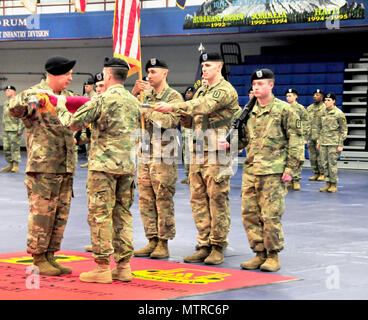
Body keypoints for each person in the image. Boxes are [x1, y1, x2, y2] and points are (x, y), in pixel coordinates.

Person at [56, 57, 141, 283]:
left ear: (108, 75)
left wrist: (60, 107)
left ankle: (103, 267)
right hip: (127, 166)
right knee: (123, 215)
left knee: (100, 215)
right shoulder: (134, 101)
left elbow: (73, 123)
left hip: (103, 167)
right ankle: (123, 266)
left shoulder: (102, 99)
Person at [155, 52, 241, 265]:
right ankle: (204, 243)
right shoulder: (202, 90)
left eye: (209, 65)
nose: (204, 69)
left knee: (217, 199)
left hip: (217, 154)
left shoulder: (224, 90)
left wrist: (174, 107)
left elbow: (204, 106)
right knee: (198, 200)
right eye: (203, 65)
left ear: (219, 67)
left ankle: (218, 245)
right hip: (198, 151)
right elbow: (194, 119)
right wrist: (184, 119)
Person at [9, 55, 77, 276]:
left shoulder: (69, 98)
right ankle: (38, 258)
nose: (70, 78)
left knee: (60, 214)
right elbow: (14, 109)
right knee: (42, 214)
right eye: (66, 74)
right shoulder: (35, 95)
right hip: (43, 167)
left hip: (65, 165)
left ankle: (50, 255)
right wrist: (32, 97)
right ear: (53, 75)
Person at [235, 69, 304, 272]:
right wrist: (229, 143)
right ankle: (259, 253)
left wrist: (291, 168)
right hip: (251, 170)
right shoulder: (248, 111)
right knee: (249, 214)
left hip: (273, 171)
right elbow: (244, 140)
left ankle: (272, 255)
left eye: (261, 84)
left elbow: (296, 140)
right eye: (254, 85)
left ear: (271, 85)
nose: (257, 88)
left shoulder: (284, 110)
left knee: (270, 215)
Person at [132, 58, 183, 259]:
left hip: (164, 156)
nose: (149, 75)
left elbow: (172, 121)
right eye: (148, 72)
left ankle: (163, 242)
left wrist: (149, 111)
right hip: (144, 154)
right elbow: (130, 114)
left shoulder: (173, 96)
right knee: (145, 199)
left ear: (165, 73)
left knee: (163, 199)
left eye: (154, 71)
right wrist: (134, 95)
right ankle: (151, 238)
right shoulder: (144, 95)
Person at [317, 93, 347, 193]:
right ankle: (327, 183)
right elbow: (319, 128)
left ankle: (333, 184)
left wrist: (340, 144)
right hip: (323, 142)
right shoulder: (322, 112)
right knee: (324, 163)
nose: (326, 102)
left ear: (334, 101)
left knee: (332, 164)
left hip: (333, 142)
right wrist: (318, 141)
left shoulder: (339, 113)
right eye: (325, 100)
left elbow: (343, 129)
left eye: (329, 100)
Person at [285, 88, 309, 191]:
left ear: (296, 96)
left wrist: (305, 137)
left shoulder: (300, 108)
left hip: (297, 136)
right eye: (287, 96)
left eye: (290, 96)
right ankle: (289, 179)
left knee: (298, 158)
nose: (288, 98)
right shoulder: (284, 108)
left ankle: (296, 180)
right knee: (287, 159)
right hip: (287, 137)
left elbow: (306, 123)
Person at [1, 85, 24, 173]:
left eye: (9, 90)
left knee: (15, 148)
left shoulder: (17, 102)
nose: (7, 92)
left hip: (14, 129)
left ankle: (15, 166)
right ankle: (9, 165)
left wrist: (20, 129)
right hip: (6, 129)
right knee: (6, 147)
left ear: (14, 92)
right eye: (6, 91)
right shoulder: (6, 103)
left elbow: (21, 117)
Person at [307, 89, 325, 181]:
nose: (315, 96)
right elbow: (306, 123)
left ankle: (322, 173)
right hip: (311, 136)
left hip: (320, 136)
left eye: (317, 95)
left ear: (322, 97)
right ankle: (316, 173)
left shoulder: (325, 108)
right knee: (312, 156)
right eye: (314, 95)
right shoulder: (309, 108)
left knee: (321, 156)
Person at [181, 86, 195, 184]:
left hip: (192, 134)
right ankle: (187, 175)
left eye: (190, 93)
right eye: (186, 93)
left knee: (191, 156)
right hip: (184, 135)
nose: (187, 94)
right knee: (186, 156)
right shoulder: (184, 105)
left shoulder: (195, 105)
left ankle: (192, 176)